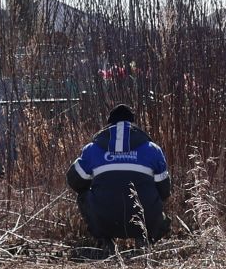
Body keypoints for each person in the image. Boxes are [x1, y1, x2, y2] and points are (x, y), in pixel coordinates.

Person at [67, 104, 171, 250]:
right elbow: (165, 190)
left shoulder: (92, 149)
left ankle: (105, 241)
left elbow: (74, 181)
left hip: (105, 220)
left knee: (83, 197)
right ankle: (144, 239)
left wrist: (98, 183)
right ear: (133, 124)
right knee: (157, 198)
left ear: (109, 124)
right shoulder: (153, 149)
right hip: (143, 220)